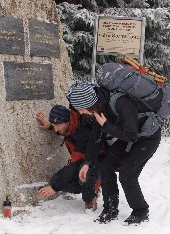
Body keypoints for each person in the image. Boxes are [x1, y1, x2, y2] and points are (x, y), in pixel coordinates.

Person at [66, 82, 162, 225]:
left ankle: (141, 211)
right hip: (127, 136)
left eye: (81, 108)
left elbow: (132, 135)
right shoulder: (99, 107)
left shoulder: (121, 102)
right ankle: (110, 209)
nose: (80, 112)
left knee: (127, 173)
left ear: (88, 103)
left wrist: (106, 125)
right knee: (106, 167)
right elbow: (95, 138)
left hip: (147, 138)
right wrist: (87, 163)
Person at [36, 104, 104, 210]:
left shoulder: (83, 131)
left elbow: (74, 166)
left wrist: (54, 186)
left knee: (82, 178)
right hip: (84, 158)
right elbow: (66, 131)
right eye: (54, 125)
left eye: (58, 125)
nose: (56, 129)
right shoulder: (72, 123)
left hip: (97, 159)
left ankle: (94, 186)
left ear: (67, 121)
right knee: (72, 179)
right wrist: (51, 126)